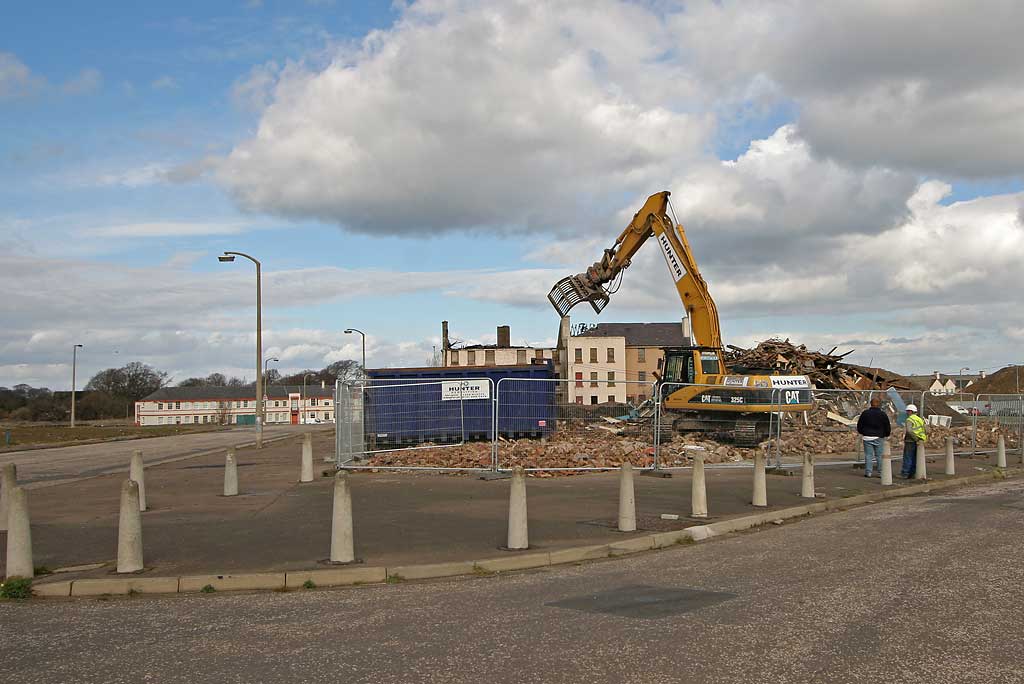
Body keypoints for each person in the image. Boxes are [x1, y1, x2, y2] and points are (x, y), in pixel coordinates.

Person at [856, 397, 891, 477]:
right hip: (879, 436)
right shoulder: (882, 414)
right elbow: (887, 426)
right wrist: (886, 434)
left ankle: (868, 472)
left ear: (870, 404)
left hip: (867, 436)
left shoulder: (865, 413)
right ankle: (881, 473)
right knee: (879, 456)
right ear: (879, 405)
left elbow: (860, 425)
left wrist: (862, 432)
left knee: (868, 455)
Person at [901, 404, 928, 479]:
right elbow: (926, 430)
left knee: (908, 457)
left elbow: (909, 431)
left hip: (910, 440)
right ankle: (913, 473)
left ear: (910, 411)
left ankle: (905, 473)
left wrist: (915, 439)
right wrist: (920, 439)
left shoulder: (909, 419)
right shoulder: (920, 419)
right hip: (920, 440)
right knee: (915, 457)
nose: (906, 413)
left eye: (907, 411)